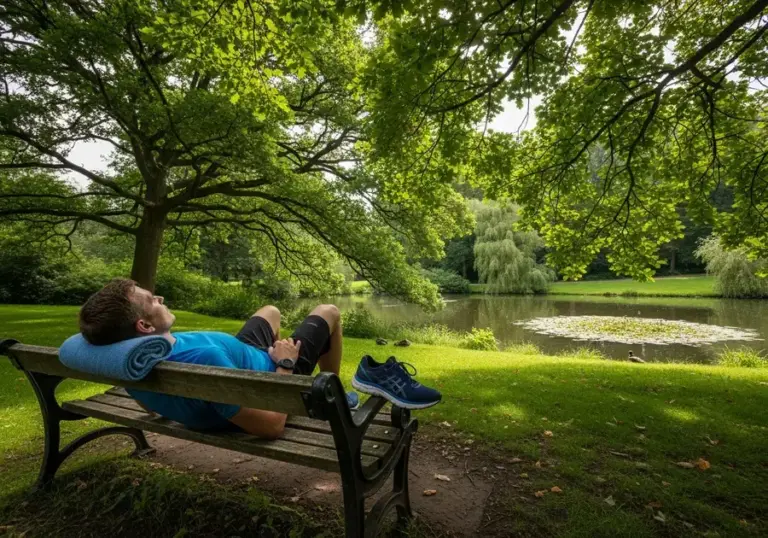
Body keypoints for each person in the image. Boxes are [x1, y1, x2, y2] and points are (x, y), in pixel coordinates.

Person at [78, 278, 354, 439]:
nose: (161, 299)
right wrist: (284, 363)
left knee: (270, 311)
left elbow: (152, 407)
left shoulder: (127, 360)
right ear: (145, 327)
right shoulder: (205, 360)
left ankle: (270, 359)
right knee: (329, 311)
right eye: (153, 301)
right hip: (270, 374)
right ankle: (336, 391)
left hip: (241, 356)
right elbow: (270, 425)